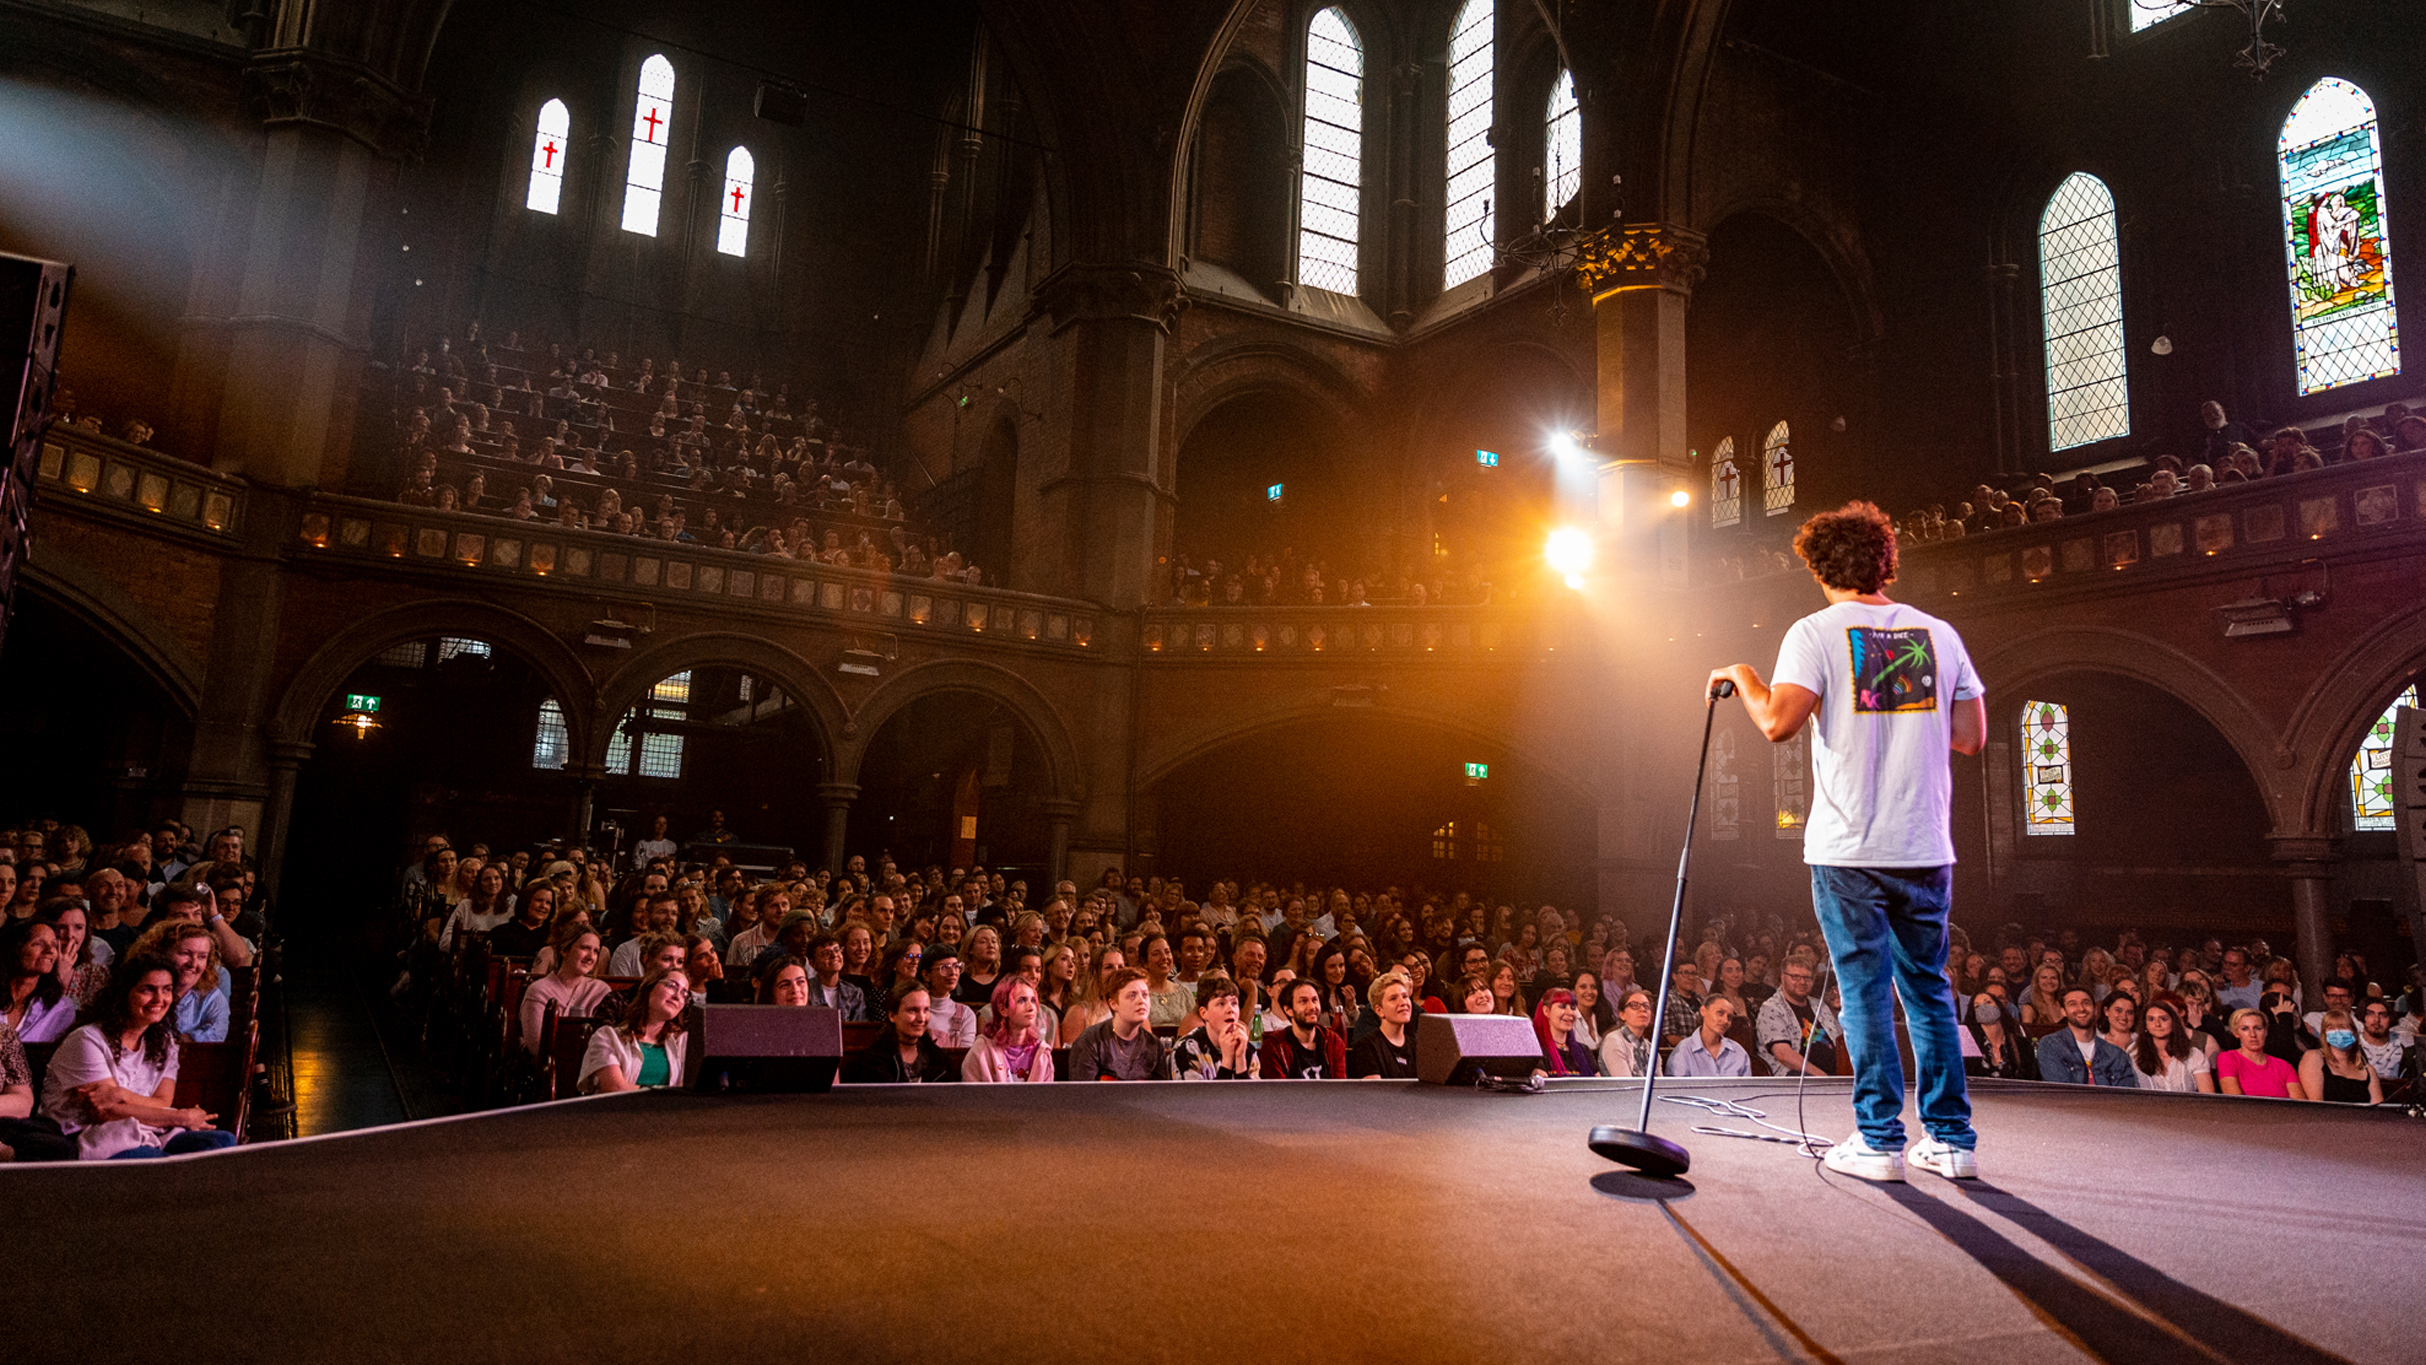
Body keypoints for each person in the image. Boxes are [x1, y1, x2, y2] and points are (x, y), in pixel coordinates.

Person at [1711, 499, 1986, 1182]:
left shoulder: (1816, 631)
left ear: (1817, 565)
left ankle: (1879, 1141)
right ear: (1885, 560)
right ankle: (1951, 1140)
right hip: (1924, 843)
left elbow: (1778, 722)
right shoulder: (1938, 634)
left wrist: (1742, 676)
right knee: (1927, 988)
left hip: (1850, 850)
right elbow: (1971, 736)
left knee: (1864, 991)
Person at [38, 954, 236, 1158]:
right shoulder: (87, 1039)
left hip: (147, 1129)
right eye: (148, 989)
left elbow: (162, 1101)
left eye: (166, 990)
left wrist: (123, 1094)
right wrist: (182, 1117)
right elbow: (107, 1111)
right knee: (157, 1162)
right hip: (89, 1136)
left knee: (221, 1142)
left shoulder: (164, 1042)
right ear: (124, 993)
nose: (159, 999)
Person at [578, 966, 691, 1094]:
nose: (677, 996)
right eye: (671, 985)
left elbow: (687, 1093)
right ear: (649, 988)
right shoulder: (607, 1037)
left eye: (684, 993)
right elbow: (615, 1089)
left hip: (671, 1114)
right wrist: (668, 1096)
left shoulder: (684, 1043)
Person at [520, 925, 611, 1056]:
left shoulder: (601, 990)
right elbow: (537, 1046)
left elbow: (607, 1042)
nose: (591, 956)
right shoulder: (538, 990)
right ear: (565, 950)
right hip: (547, 1068)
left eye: (596, 951)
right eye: (585, 948)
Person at [843, 983, 958, 1084]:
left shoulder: (939, 1058)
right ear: (892, 1015)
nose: (921, 1018)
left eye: (926, 1010)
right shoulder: (874, 1060)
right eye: (912, 1010)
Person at [1068, 969, 1171, 1081]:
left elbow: (1160, 1094)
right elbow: (1082, 1094)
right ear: (1113, 1004)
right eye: (1132, 995)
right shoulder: (1090, 1041)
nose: (1141, 1001)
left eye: (1145, 995)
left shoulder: (1154, 1046)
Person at [2035, 987, 2136, 1087]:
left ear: (2095, 1009)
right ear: (2063, 1012)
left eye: (2086, 1003)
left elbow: (2123, 1097)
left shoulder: (2116, 1054)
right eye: (2072, 1004)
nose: (2081, 1008)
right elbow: (2062, 1092)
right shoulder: (2051, 1045)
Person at [1755, 959, 1838, 1077]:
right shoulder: (1771, 1008)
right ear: (1783, 978)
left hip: (1834, 1074)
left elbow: (1840, 1042)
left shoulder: (1819, 1006)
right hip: (1796, 1077)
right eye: (1795, 977)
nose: (1802, 982)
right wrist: (1823, 1077)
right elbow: (1783, 1055)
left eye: (1807, 978)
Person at [962, 977, 1054, 1083]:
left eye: (1033, 1000)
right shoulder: (982, 1049)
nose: (1031, 1007)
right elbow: (972, 1095)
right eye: (1021, 1000)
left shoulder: (1042, 1053)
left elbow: (1047, 1097)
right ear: (1003, 1010)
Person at [0, 919, 76, 1044]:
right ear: (16, 949)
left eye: (53, 945)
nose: (49, 951)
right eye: (39, 944)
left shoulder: (60, 1008)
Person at [1259, 977, 1346, 1079]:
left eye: (1314, 1000)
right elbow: (1279, 1091)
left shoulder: (1333, 1042)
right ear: (1288, 1010)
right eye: (1303, 1001)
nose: (1312, 1007)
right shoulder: (1274, 1046)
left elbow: (1340, 1088)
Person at [1174, 976, 1257, 1079]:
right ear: (1204, 1013)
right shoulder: (1187, 1049)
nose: (1230, 1009)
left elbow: (1250, 1094)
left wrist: (1240, 1059)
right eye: (1221, 1004)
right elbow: (1199, 1095)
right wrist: (1227, 1061)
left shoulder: (1246, 1048)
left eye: (1234, 1003)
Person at [2218, 1008, 2306, 1099]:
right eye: (2245, 1029)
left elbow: (2299, 1106)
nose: (2252, 1034)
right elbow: (2235, 1100)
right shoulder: (2228, 1058)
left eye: (2258, 1028)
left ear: (2266, 1031)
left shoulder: (2284, 1066)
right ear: (2236, 1033)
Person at [2299, 1008, 2381, 1105]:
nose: (2338, 1032)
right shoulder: (2314, 1057)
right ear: (2325, 1034)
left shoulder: (2368, 1070)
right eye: (2331, 1028)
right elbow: (2316, 1105)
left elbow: (2379, 1110)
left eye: (2343, 1027)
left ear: (2353, 1032)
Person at [1347, 970, 1418, 1078]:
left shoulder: (1416, 1047)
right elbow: (1375, 1092)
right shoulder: (1367, 1047)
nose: (1403, 1003)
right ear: (1379, 1010)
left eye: (1405, 996)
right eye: (1393, 998)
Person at [2131, 1000, 2214, 1093]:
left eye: (2163, 1019)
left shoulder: (2194, 1055)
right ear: (2145, 1025)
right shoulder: (2134, 1057)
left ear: (2173, 1022)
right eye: (2151, 1019)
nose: (2157, 1024)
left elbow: (2208, 1098)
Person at [1667, 996, 1751, 1077]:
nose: (1725, 1021)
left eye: (1729, 1017)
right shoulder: (1684, 1049)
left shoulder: (1738, 1052)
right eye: (1720, 1013)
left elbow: (1746, 1089)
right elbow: (1676, 1089)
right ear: (1703, 1011)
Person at [1963, 991, 2035, 1081]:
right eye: (1977, 1006)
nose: (1984, 1007)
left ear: (1999, 1007)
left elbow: (2031, 1079)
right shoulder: (1969, 1046)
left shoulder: (2022, 1045)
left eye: (1988, 1002)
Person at [921, 946, 978, 1047]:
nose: (953, 973)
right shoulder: (916, 1010)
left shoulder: (965, 1014)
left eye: (956, 966)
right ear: (926, 975)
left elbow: (964, 1055)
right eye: (945, 967)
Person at [1533, 987, 1596, 1077]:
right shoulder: (1537, 1052)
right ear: (1546, 1011)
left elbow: (1599, 1085)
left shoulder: (1584, 1051)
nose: (1569, 1012)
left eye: (1573, 1007)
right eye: (1563, 1006)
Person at [1599, 988, 1659, 1078]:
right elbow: (1626, 1085)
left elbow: (1660, 1085)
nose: (1642, 1009)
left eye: (1646, 1006)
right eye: (1635, 1005)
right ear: (1622, 1014)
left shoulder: (1650, 1048)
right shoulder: (1613, 1041)